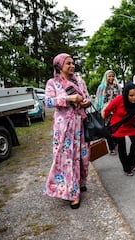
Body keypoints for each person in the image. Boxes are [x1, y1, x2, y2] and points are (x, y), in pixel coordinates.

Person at [44, 53, 92, 209]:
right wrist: (70, 99)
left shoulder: (79, 81)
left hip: (80, 124)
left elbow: (88, 98)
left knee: (83, 157)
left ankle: (80, 182)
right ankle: (72, 193)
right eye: (68, 63)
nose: (72, 66)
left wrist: (85, 102)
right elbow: (48, 101)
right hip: (63, 128)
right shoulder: (53, 83)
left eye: (73, 63)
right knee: (67, 159)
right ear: (59, 66)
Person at [95, 70, 123, 155]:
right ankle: (111, 148)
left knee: (115, 128)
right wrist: (98, 110)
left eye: (112, 76)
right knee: (107, 130)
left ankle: (115, 142)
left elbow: (121, 98)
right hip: (105, 112)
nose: (111, 78)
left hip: (116, 111)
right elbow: (98, 99)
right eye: (109, 76)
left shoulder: (117, 86)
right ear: (106, 77)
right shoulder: (101, 87)